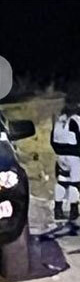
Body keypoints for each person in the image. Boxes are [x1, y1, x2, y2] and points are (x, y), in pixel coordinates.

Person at [52, 85, 80, 223]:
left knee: (62, 181)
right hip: (74, 156)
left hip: (60, 155)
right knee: (75, 183)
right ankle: (74, 210)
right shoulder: (76, 120)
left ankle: (58, 209)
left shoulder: (59, 119)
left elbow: (52, 139)